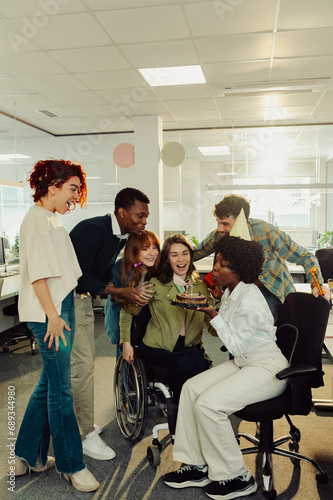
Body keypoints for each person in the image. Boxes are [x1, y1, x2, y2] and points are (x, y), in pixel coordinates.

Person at [163, 236, 289, 500]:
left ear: (239, 270)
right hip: (245, 362)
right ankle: (196, 465)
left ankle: (237, 476)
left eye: (222, 264)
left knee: (208, 405)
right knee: (190, 388)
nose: (215, 268)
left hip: (266, 367)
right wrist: (217, 303)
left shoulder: (251, 301)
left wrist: (212, 313)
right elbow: (235, 339)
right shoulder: (235, 290)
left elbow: (236, 345)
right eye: (216, 261)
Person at [13, 159, 99, 492]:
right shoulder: (37, 220)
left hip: (57, 306)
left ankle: (27, 456)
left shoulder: (49, 219)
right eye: (73, 189)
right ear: (53, 186)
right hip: (49, 311)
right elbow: (38, 275)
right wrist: (52, 315)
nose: (76, 197)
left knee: (49, 385)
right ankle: (70, 465)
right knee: (61, 389)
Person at [69, 187, 152, 460]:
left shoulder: (119, 237)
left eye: (146, 217)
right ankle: (82, 436)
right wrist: (120, 292)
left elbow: (100, 275)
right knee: (80, 370)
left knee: (77, 369)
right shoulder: (93, 230)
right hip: (68, 301)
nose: (144, 221)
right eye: (140, 216)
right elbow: (77, 278)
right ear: (122, 212)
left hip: (81, 302)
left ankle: (78, 426)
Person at [120, 234, 217, 419]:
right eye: (174, 255)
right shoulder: (156, 284)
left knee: (200, 361)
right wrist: (126, 342)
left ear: (191, 256)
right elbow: (127, 312)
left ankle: (194, 414)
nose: (181, 259)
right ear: (167, 259)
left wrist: (216, 313)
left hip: (188, 347)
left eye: (185, 253)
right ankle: (180, 417)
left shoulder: (201, 288)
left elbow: (213, 330)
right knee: (186, 362)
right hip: (157, 347)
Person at [193, 194, 329, 320]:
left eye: (225, 224)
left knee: (252, 320)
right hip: (242, 294)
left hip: (271, 292)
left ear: (243, 220)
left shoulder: (267, 233)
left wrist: (316, 284)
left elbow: (306, 257)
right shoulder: (219, 235)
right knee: (234, 322)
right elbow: (195, 253)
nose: (220, 228)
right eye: (218, 222)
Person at [104, 229, 160, 359]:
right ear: (134, 251)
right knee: (126, 358)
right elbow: (116, 298)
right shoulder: (121, 267)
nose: (152, 253)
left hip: (146, 320)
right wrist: (134, 292)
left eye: (155, 247)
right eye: (145, 249)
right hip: (121, 318)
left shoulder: (157, 268)